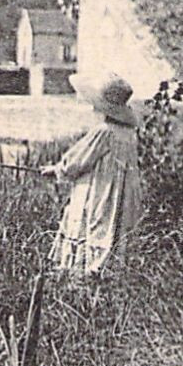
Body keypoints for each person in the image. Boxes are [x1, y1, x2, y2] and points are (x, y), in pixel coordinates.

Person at [40, 72, 145, 275]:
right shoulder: (129, 134)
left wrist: (56, 170)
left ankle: (83, 275)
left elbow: (78, 161)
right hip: (121, 195)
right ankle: (106, 274)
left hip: (99, 192)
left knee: (92, 227)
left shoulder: (103, 131)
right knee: (113, 229)